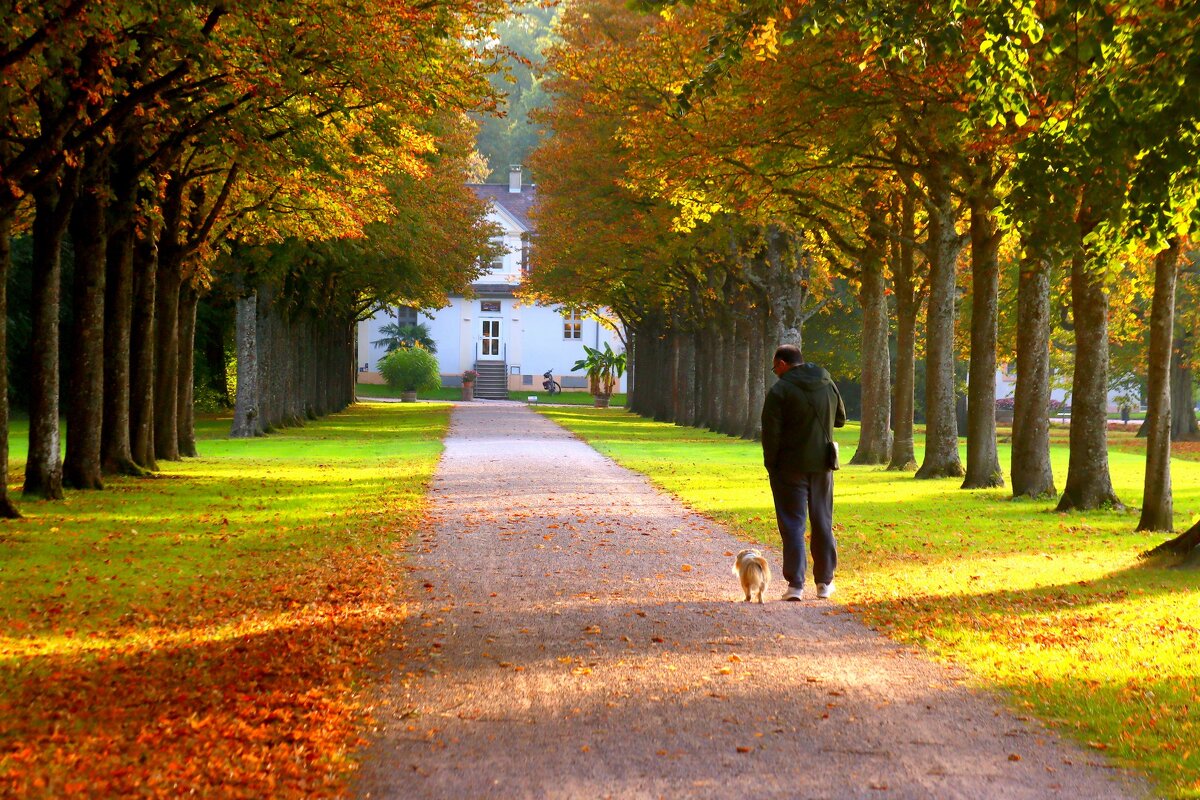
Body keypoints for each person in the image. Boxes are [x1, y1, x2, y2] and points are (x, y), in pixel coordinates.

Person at [761, 344, 846, 601]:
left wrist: (771, 464)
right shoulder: (826, 381)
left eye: (775, 366)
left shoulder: (780, 391)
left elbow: (771, 434)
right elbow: (840, 419)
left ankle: (795, 585)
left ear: (783, 363)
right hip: (822, 464)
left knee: (793, 524)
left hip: (789, 466)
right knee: (822, 521)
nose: (775, 371)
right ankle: (824, 583)